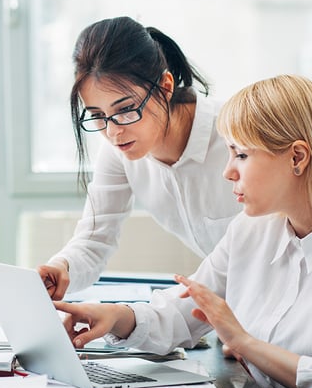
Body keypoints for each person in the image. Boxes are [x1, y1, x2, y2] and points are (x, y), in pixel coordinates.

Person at [54, 75, 312, 388]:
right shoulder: (250, 229)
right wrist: (115, 316)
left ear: (297, 158)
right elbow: (183, 314)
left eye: (241, 155)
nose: (228, 172)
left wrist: (245, 343)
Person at [37, 16, 241, 299]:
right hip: (233, 310)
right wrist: (62, 267)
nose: (113, 131)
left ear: (166, 86)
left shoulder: (237, 135)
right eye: (97, 115)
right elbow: (94, 239)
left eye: (126, 109)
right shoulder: (118, 150)